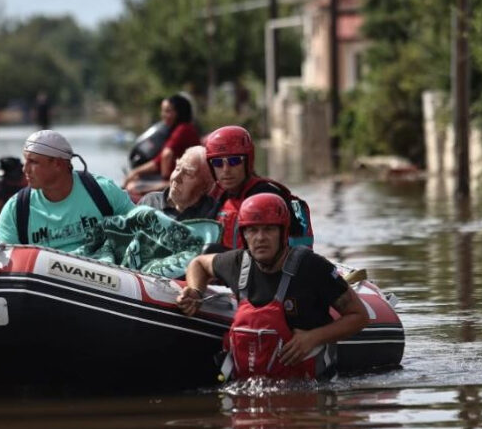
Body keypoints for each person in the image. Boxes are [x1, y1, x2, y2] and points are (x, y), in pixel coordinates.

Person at [176, 193, 368, 380]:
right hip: (250, 388)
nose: (260, 237)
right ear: (244, 235)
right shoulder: (236, 263)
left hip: (310, 388)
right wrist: (195, 291)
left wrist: (313, 337)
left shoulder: (312, 267)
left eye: (269, 229)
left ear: (283, 233)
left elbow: (359, 316)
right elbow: (198, 264)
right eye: (252, 230)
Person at [0, 129, 135, 252]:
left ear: (58, 163)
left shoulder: (103, 190)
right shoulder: (15, 210)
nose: (24, 169)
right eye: (25, 161)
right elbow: (5, 263)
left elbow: (142, 230)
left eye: (33, 162)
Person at [205, 125, 314, 249]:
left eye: (234, 161)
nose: (226, 170)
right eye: (217, 163)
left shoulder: (267, 194)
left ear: (248, 162)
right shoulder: (221, 199)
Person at [123, 94, 200, 188]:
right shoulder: (178, 130)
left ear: (179, 112)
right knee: (136, 178)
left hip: (181, 181)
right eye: (163, 111)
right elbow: (158, 161)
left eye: (168, 111)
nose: (163, 115)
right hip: (177, 178)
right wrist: (135, 172)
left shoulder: (183, 129)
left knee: (132, 186)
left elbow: (166, 155)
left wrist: (165, 179)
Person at [138, 146, 219, 221]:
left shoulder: (214, 215)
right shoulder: (149, 203)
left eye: (187, 173)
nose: (176, 178)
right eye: (177, 168)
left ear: (205, 186)